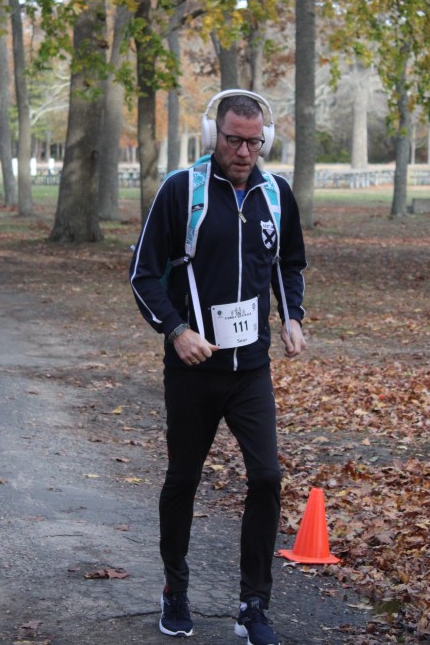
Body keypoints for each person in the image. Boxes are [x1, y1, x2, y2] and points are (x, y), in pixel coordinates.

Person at [130, 90, 307, 645]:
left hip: (250, 368)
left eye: (254, 142)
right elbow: (143, 273)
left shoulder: (276, 194)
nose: (244, 152)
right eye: (233, 140)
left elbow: (288, 263)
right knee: (183, 479)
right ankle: (175, 590)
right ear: (213, 136)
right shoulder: (181, 191)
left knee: (267, 477)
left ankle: (253, 605)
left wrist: (292, 317)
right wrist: (176, 330)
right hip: (194, 369)